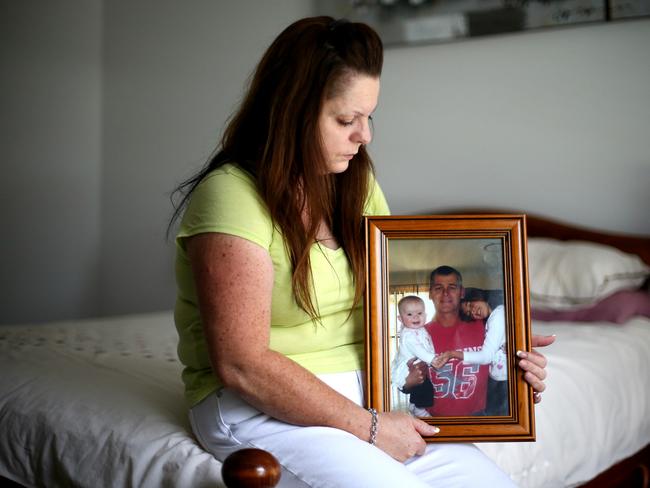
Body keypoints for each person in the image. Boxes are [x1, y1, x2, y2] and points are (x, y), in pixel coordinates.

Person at [169, 16, 554, 487]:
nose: (365, 135)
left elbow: (394, 318)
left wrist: (505, 367)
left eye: (369, 117)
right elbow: (242, 364)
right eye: (346, 120)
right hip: (261, 406)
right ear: (291, 110)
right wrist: (370, 428)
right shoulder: (231, 196)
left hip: (369, 396)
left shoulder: (356, 185)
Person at [433, 287, 508, 416]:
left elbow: (486, 356)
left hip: (503, 382)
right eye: (468, 313)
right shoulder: (492, 318)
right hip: (497, 379)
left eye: (469, 304)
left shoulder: (498, 314)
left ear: (477, 296)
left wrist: (452, 354)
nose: (472, 311)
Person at [391, 295, 435, 417]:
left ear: (425, 315)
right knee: (425, 388)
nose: (415, 317)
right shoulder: (408, 335)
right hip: (407, 370)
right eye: (409, 314)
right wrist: (432, 359)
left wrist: (432, 354)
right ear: (400, 319)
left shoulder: (421, 330)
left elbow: (427, 343)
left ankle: (413, 404)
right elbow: (419, 349)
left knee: (424, 387)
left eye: (419, 313)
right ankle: (418, 409)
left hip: (418, 366)